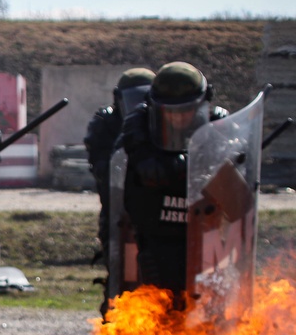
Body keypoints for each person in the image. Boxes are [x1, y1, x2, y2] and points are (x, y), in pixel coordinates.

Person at [119, 61, 228, 304]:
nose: (179, 118)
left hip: (204, 232)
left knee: (211, 308)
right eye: (172, 111)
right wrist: (191, 160)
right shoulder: (138, 123)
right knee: (163, 308)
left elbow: (231, 173)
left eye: (186, 110)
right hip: (158, 234)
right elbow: (151, 170)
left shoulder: (219, 124)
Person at [83, 67, 155, 315]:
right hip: (118, 213)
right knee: (121, 275)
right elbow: (104, 169)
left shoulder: (160, 123)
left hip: (155, 210)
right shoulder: (106, 123)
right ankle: (114, 325)